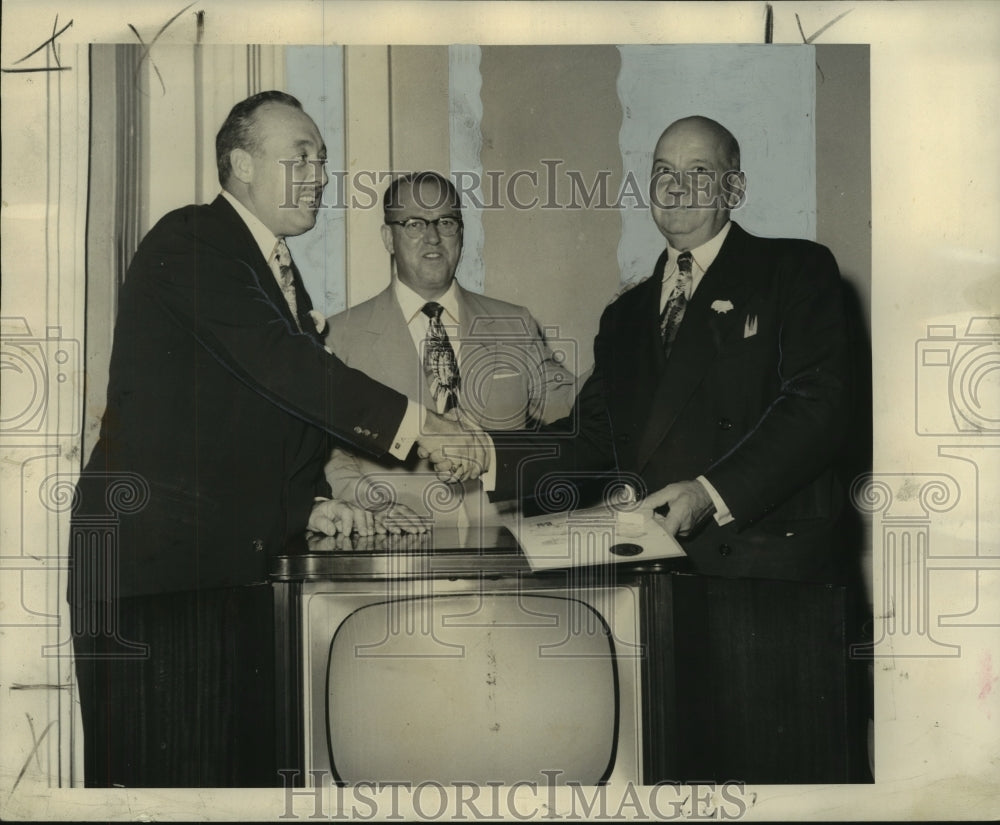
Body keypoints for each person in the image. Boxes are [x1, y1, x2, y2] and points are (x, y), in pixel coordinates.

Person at [69, 91, 467, 788]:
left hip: (218, 573)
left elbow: (243, 417)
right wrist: (421, 424)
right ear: (241, 165)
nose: (318, 173)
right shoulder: (191, 240)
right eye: (300, 156)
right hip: (157, 583)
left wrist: (307, 505)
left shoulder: (270, 267)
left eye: (322, 157)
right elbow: (285, 367)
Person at [474, 115, 852, 583]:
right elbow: (594, 437)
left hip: (771, 563)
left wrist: (709, 493)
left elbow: (819, 406)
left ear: (733, 190)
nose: (676, 188)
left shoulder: (795, 269)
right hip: (660, 566)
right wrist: (485, 454)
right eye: (662, 173)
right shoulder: (624, 315)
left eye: (698, 173)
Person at [323, 171, 576, 530]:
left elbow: (574, 411)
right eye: (413, 224)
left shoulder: (515, 323)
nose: (432, 236)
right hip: (395, 553)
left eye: (446, 222)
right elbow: (330, 453)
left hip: (504, 555)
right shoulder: (339, 335)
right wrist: (372, 504)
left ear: (461, 233)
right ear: (388, 237)